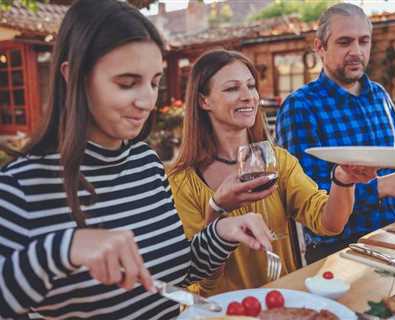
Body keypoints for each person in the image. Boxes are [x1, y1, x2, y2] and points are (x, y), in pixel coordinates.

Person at [0, 1, 275, 319]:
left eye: (155, 82)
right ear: (73, 75)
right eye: (127, 83)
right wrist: (63, 249)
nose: (147, 101)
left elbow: (174, 274)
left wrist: (221, 232)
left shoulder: (146, 164)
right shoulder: (22, 185)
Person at [168, 49, 377, 296]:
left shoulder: (279, 161)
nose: (249, 97)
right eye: (232, 88)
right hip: (224, 309)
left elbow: (330, 223)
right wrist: (216, 210)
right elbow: (203, 279)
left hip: (281, 300)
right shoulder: (181, 181)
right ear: (204, 101)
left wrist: (342, 180)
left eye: (251, 86)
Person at [275, 3, 395, 263]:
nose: (356, 51)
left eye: (363, 41)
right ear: (320, 47)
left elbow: (390, 161)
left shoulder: (379, 95)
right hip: (339, 251)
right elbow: (305, 199)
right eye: (344, 42)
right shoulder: (300, 106)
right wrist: (382, 187)